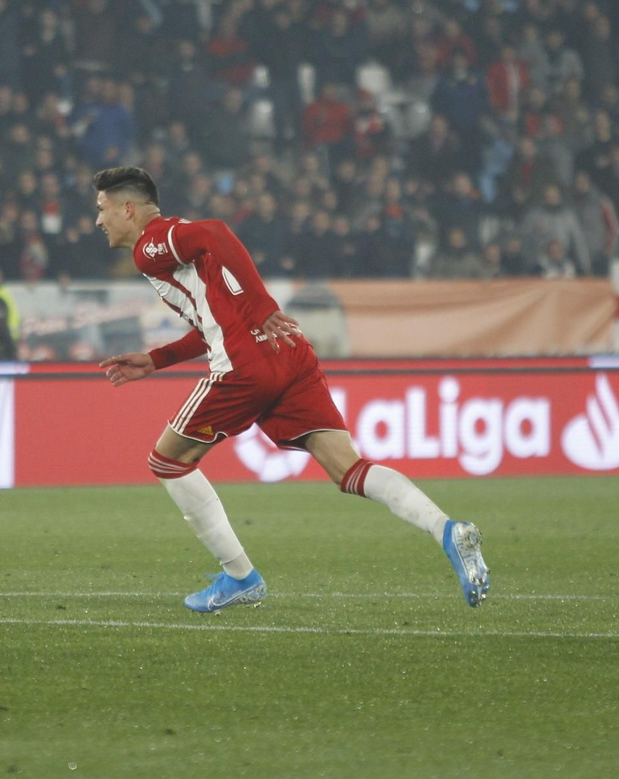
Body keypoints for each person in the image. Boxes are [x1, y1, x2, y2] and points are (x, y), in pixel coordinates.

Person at [91, 166, 488, 612]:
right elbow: (215, 321)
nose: (98, 221)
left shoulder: (150, 246)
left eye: (103, 209)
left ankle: (240, 576)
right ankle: (447, 530)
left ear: (130, 208)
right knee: (348, 468)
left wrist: (263, 307)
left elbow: (218, 233)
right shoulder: (174, 246)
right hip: (288, 352)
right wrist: (157, 359)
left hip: (246, 365)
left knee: (167, 461)